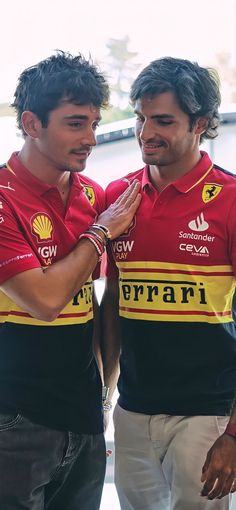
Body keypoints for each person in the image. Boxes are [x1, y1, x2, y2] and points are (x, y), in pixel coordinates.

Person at [0, 51, 141, 510]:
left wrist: (105, 389)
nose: (91, 139)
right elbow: (45, 300)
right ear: (32, 123)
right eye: (76, 123)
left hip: (83, 414)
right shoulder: (4, 198)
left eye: (95, 124)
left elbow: (99, 300)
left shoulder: (93, 196)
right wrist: (99, 233)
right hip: (14, 420)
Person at [101, 57, 236, 510]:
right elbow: (114, 303)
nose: (145, 133)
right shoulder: (117, 198)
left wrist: (234, 434)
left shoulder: (231, 201)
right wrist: (106, 394)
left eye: (162, 121)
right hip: (133, 410)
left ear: (200, 123)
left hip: (208, 414)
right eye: (140, 118)